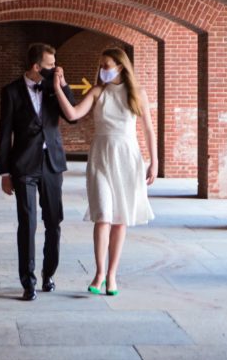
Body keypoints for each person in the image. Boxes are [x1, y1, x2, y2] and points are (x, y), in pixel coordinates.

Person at [52, 47, 156, 296]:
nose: (103, 70)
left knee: (120, 218)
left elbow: (149, 129)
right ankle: (99, 272)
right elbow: (73, 113)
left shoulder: (137, 93)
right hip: (101, 156)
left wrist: (154, 161)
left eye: (107, 66)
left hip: (128, 156)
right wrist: (58, 88)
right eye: (101, 66)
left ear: (120, 66)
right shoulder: (98, 91)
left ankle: (112, 275)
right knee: (103, 216)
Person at [0, 43, 77, 301]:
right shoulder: (10, 92)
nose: (55, 68)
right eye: (50, 65)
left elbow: (73, 116)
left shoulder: (54, 89)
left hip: (52, 163)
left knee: (53, 222)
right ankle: (28, 282)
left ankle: (49, 274)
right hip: (23, 166)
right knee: (27, 223)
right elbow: (4, 134)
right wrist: (5, 172)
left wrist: (61, 85)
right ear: (36, 67)